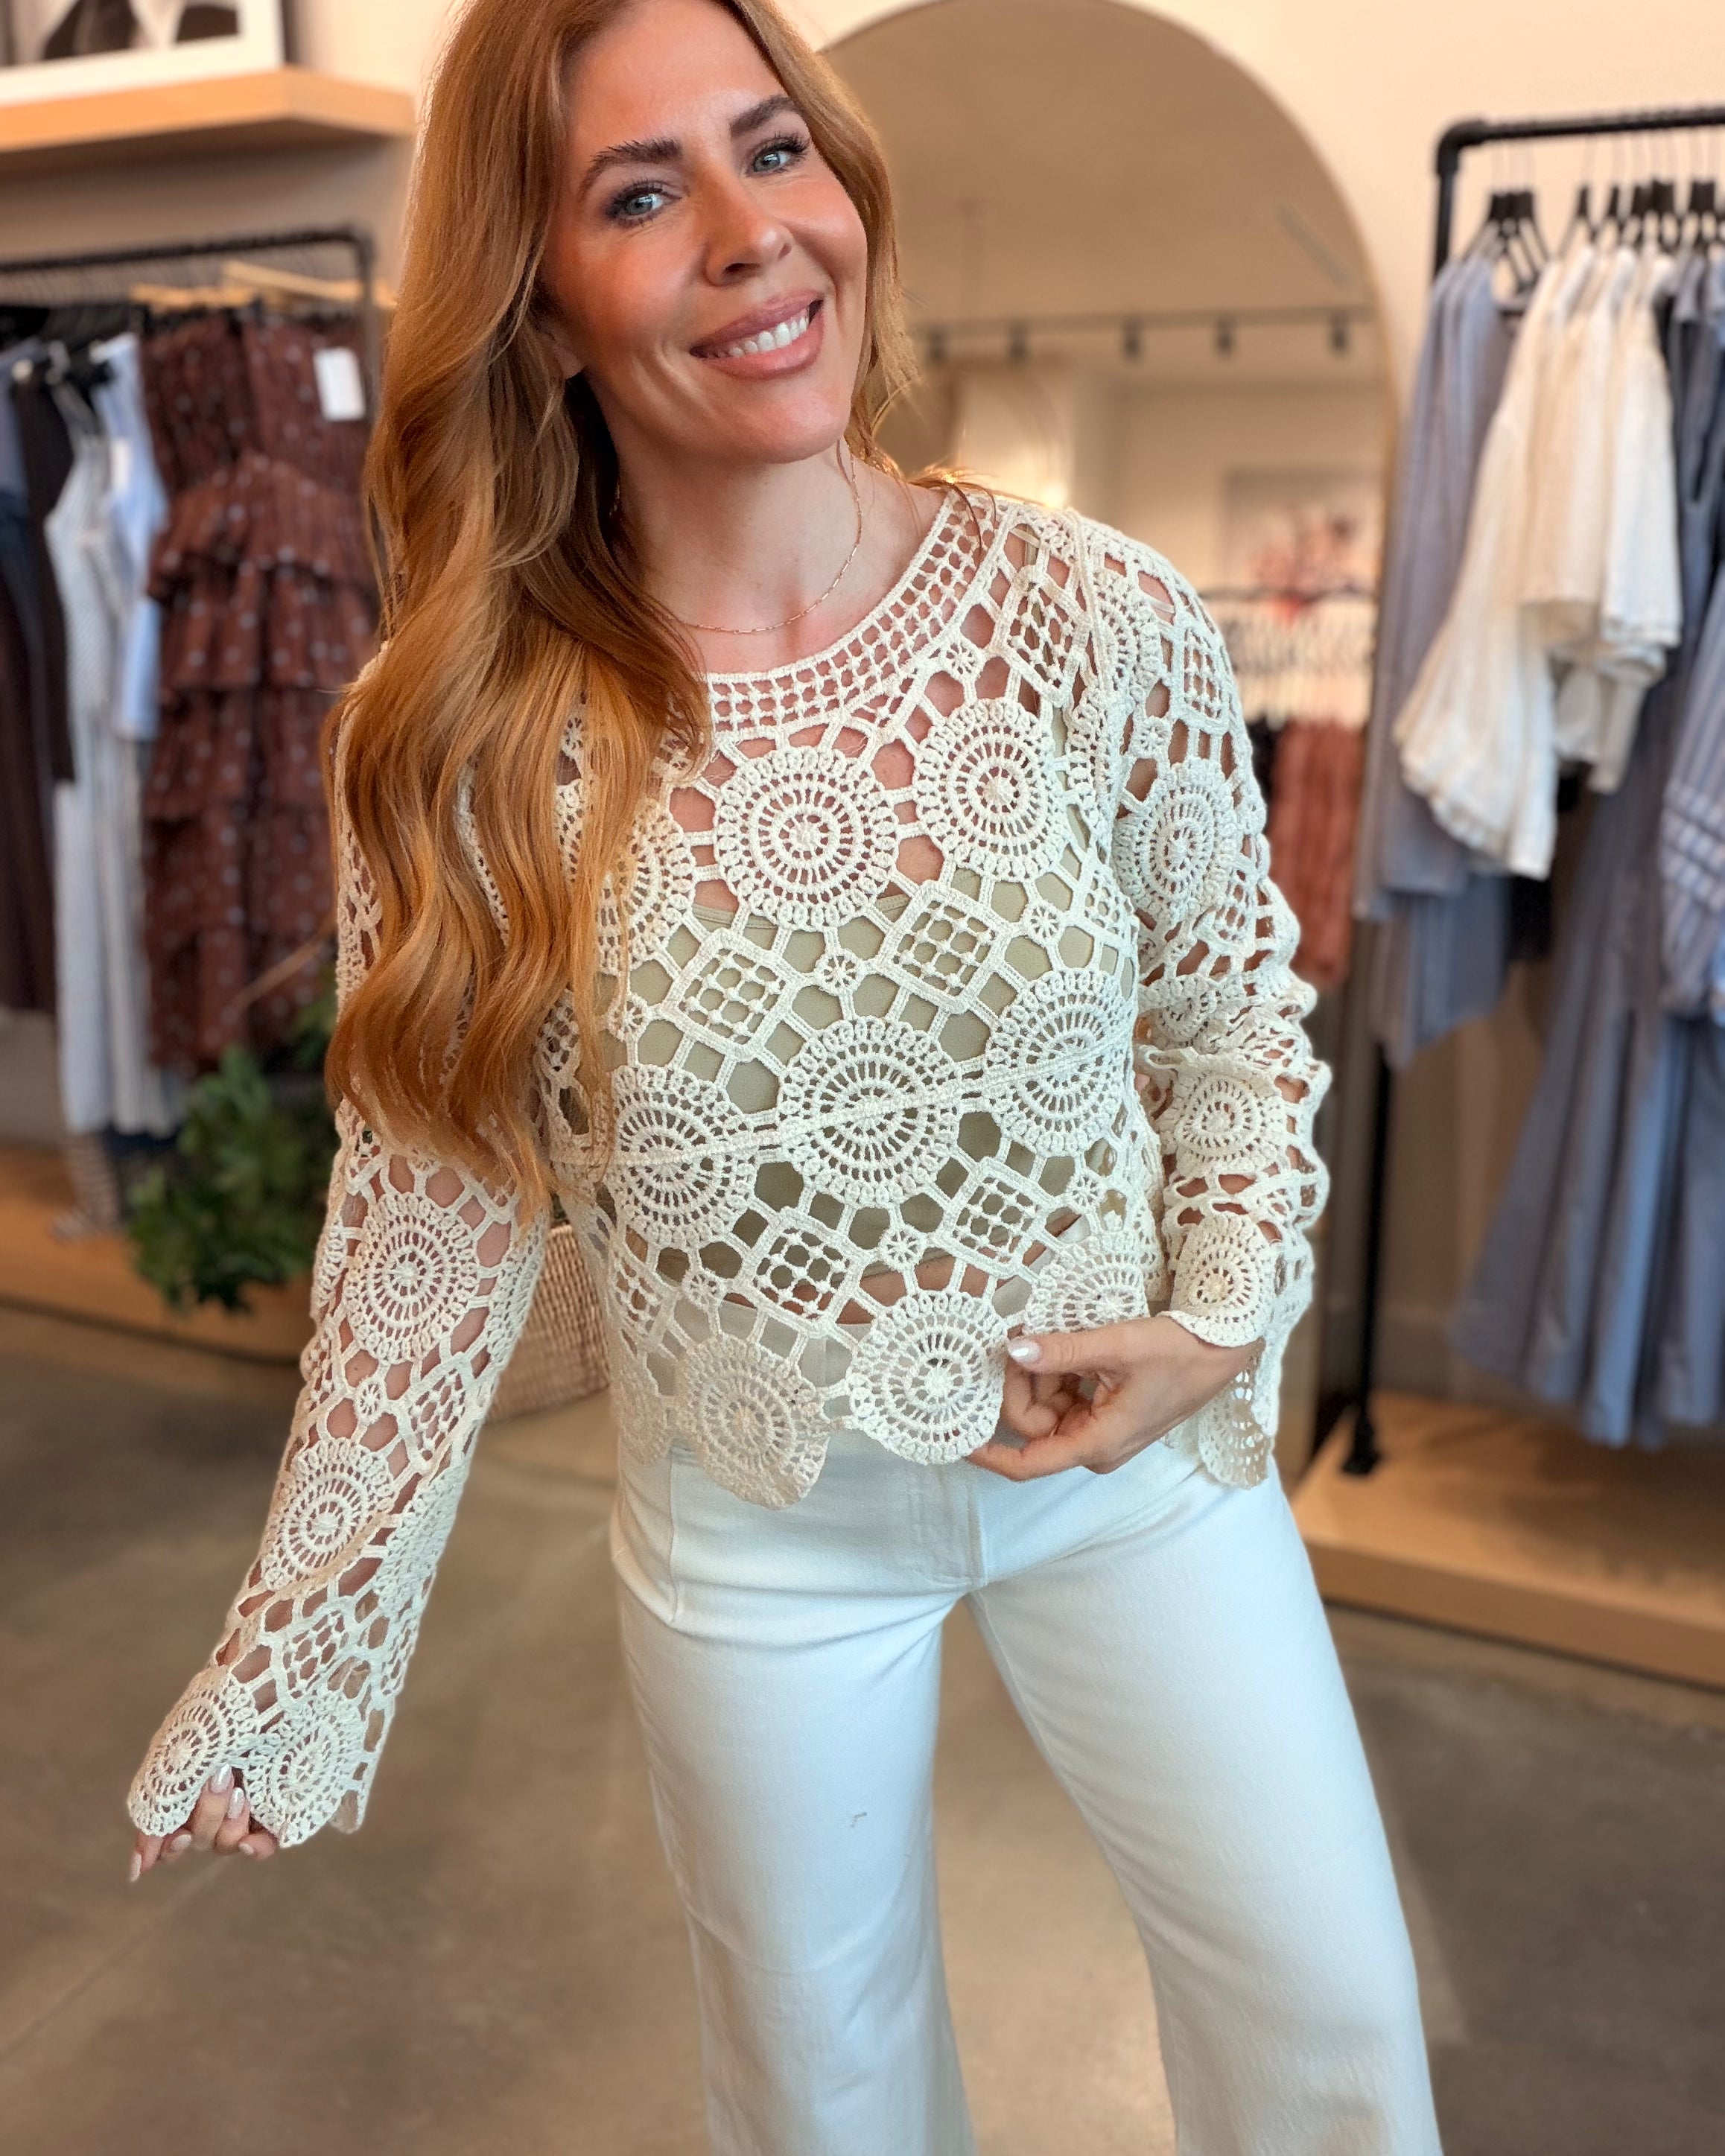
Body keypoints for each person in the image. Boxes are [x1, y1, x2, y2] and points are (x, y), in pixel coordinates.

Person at [124, 0, 1443, 2148]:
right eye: (641, 194)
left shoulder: (1088, 614)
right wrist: (300, 1643)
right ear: (541, 306)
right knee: (821, 2101)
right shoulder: (462, 739)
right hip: (756, 1531)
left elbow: (1225, 1013)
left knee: (1333, 2033)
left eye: (774, 149)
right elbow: (428, 1207)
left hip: (1138, 1484)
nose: (751, 233)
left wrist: (1219, 1316)